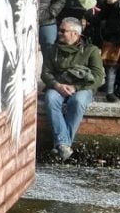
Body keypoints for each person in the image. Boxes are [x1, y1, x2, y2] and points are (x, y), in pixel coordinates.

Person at [41, 17, 104, 161]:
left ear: (75, 34)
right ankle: (64, 145)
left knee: (77, 102)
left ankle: (62, 144)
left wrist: (76, 87)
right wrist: (57, 85)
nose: (59, 33)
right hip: (59, 86)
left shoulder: (91, 50)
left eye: (63, 31)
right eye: (59, 30)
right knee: (50, 99)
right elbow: (45, 73)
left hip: (83, 87)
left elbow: (98, 76)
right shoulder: (52, 50)